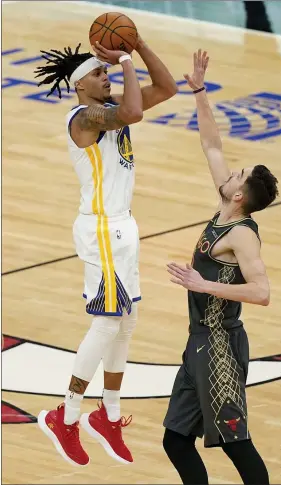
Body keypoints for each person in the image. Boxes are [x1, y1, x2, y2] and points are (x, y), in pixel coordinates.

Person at [34, 36, 177, 467]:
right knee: (107, 322)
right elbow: (132, 110)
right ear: (80, 84)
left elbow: (167, 88)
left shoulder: (110, 110)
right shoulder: (84, 117)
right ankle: (67, 416)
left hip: (122, 227)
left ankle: (107, 415)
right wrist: (127, 59)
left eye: (107, 69)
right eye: (99, 72)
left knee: (127, 321)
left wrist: (141, 43)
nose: (107, 74)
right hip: (101, 228)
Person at [163, 49, 278, 485]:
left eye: (237, 175)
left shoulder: (242, 235)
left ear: (239, 196)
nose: (229, 174)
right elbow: (211, 143)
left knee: (235, 442)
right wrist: (198, 90)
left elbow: (262, 292)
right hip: (198, 342)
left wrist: (203, 284)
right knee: (175, 441)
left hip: (221, 349)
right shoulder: (224, 205)